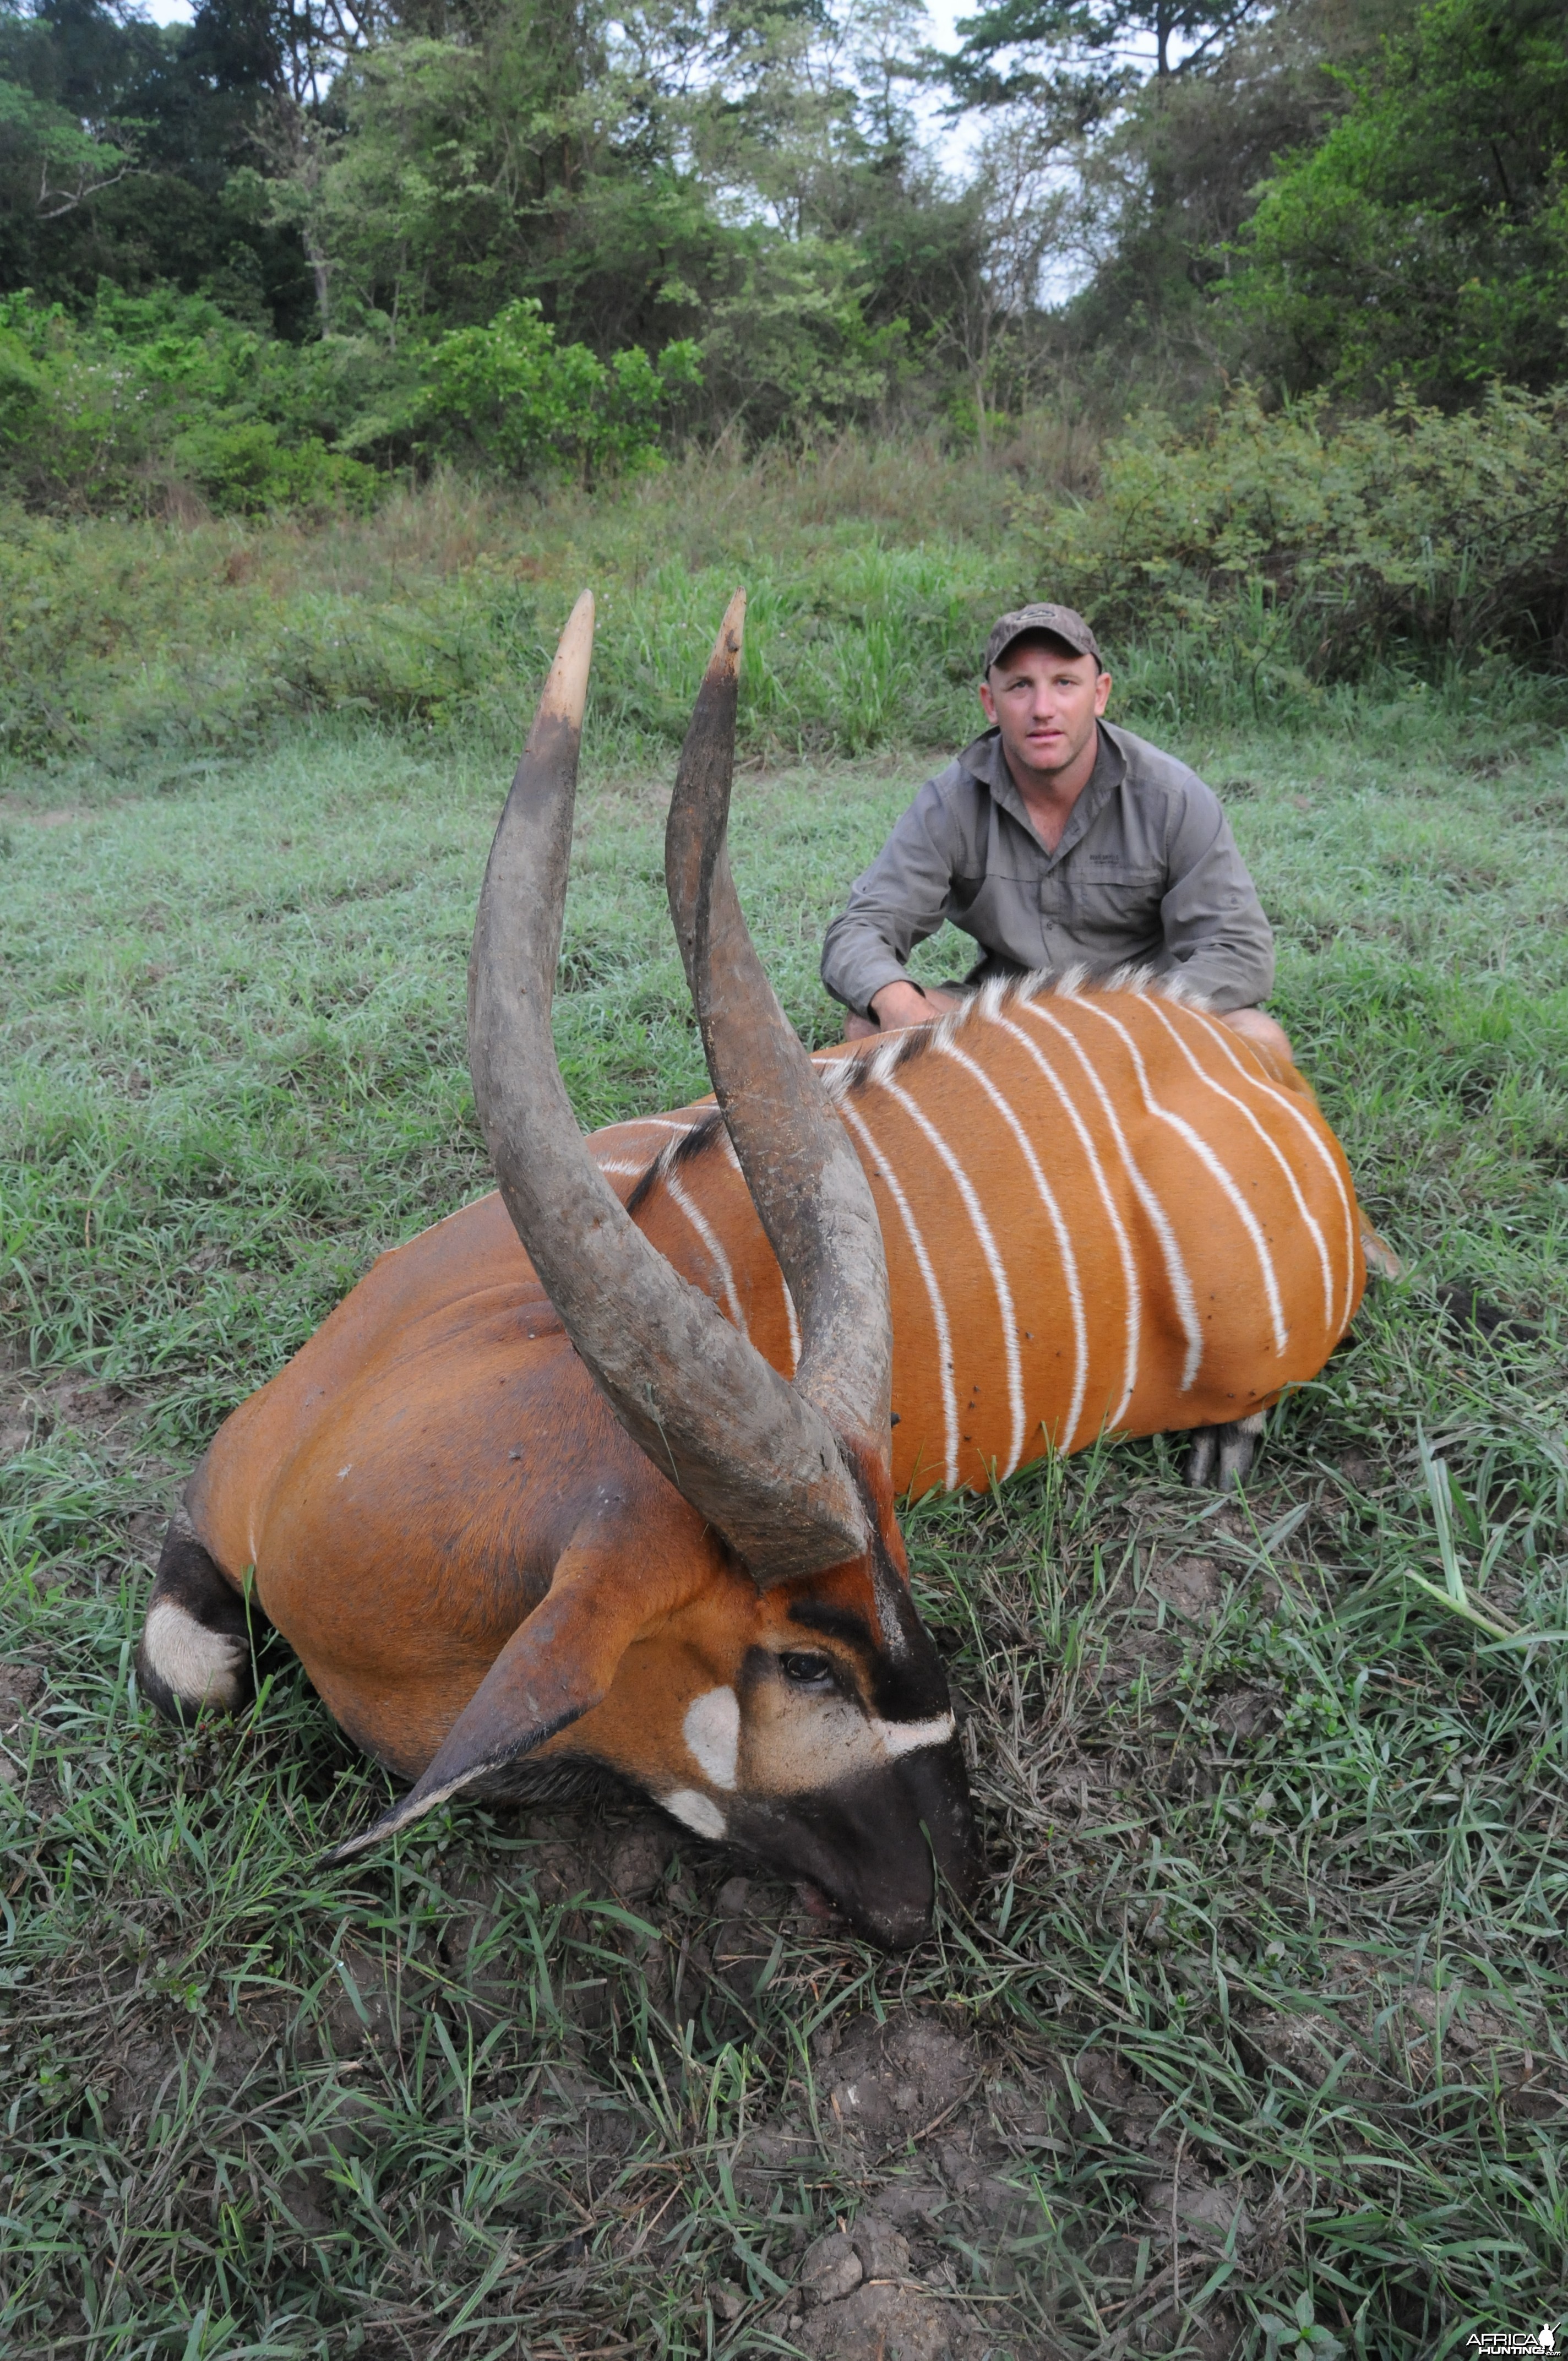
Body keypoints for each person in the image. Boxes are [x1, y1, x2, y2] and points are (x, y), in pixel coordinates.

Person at [821, 602, 1291, 1062]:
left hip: (1145, 1019)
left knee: (1259, 1038)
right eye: (1021, 686)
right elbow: (861, 929)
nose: (1042, 708)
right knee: (868, 1026)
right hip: (1009, 1021)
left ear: (1100, 693)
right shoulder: (952, 803)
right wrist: (901, 1004)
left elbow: (1239, 950)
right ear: (991, 702)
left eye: (1065, 683)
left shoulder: (1172, 797)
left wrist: (1122, 1017)